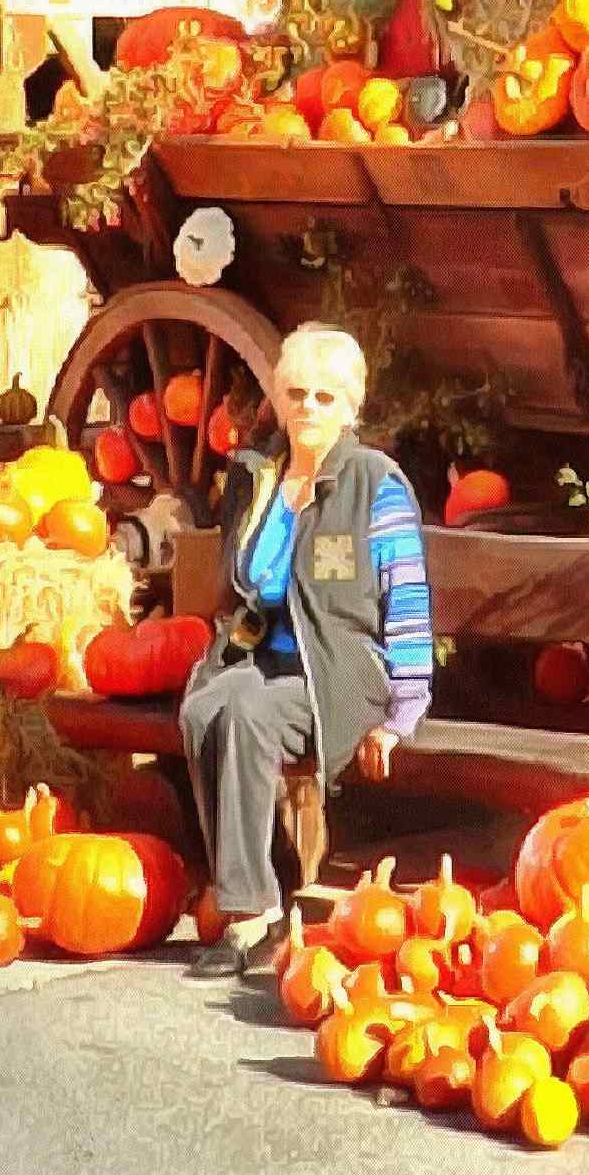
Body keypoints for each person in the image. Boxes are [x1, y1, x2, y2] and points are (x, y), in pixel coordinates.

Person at [178, 321, 432, 977]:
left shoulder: (374, 483)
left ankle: (250, 913)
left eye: (325, 396)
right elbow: (246, 591)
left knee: (246, 716)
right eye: (295, 393)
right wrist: (223, 657)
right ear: (278, 399)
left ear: (350, 407)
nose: (308, 408)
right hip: (265, 658)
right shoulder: (259, 479)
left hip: (340, 674)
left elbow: (406, 600)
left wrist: (402, 712)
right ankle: (262, 878)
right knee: (205, 708)